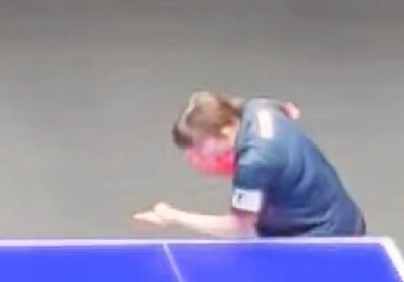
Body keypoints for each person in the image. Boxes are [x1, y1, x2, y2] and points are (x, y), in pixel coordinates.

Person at [135, 92, 365, 239]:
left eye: (199, 146)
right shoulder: (259, 107)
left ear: (225, 131)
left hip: (322, 238)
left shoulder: (254, 164)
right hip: (340, 213)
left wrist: (173, 216)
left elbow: (239, 227)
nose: (193, 155)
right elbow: (290, 110)